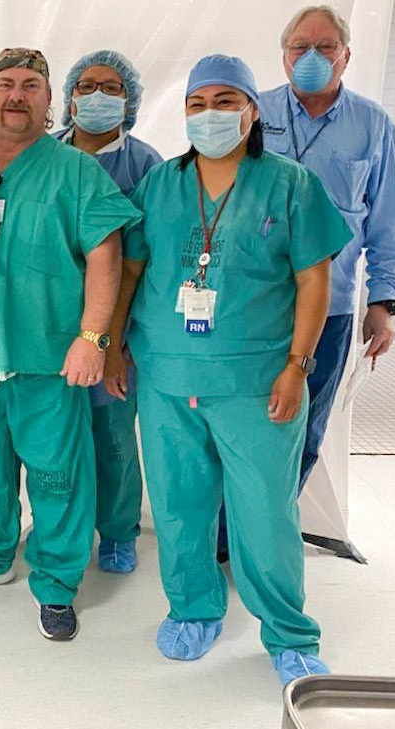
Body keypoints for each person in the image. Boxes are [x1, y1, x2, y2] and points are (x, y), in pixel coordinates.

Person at [106, 55, 351, 685]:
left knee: (264, 510)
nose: (209, 115)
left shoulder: (290, 185)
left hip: (257, 379)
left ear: (251, 110)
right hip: (166, 374)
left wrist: (298, 366)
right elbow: (131, 269)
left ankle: (289, 634)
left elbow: (313, 279)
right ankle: (193, 610)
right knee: (180, 504)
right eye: (196, 104)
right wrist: (111, 345)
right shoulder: (160, 185)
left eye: (224, 101)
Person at [0, 48, 141, 641]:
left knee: (58, 475)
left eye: (32, 85)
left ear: (50, 100)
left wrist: (93, 338)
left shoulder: (76, 170)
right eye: (5, 84)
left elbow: (107, 255)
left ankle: (56, 580)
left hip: (52, 354)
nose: (17, 95)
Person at [258, 5, 395, 493]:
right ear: (283, 57)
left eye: (325, 47)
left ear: (346, 55)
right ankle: (226, 534)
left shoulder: (371, 123)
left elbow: (384, 223)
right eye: (300, 47)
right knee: (245, 424)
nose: (311, 56)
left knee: (305, 428)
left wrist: (382, 304)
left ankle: (271, 528)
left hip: (332, 308)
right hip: (255, 300)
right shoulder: (254, 113)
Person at [55, 50, 163, 575]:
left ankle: (118, 531)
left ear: (130, 101)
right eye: (87, 85)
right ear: (69, 95)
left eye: (112, 88)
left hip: (117, 333)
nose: (97, 96)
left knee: (114, 437)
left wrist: (114, 343)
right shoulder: (43, 156)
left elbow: (148, 264)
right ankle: (61, 527)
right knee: (57, 439)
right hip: (48, 326)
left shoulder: (146, 167)